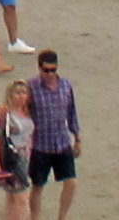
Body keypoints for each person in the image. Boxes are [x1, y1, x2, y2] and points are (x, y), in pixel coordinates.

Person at [26, 51, 81, 219]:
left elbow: (72, 113)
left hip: (62, 142)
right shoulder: (30, 87)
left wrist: (77, 138)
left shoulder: (66, 85)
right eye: (46, 70)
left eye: (53, 70)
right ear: (39, 68)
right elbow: (22, 112)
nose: (50, 74)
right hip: (40, 145)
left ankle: (62, 217)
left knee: (71, 182)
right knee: (37, 186)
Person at [0, 79, 34, 220]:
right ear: (10, 95)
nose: (21, 96)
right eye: (17, 93)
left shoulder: (29, 113)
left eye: (24, 93)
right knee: (21, 198)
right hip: (11, 158)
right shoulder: (5, 115)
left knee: (12, 197)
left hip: (25, 158)